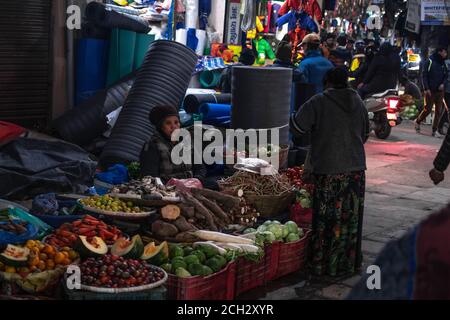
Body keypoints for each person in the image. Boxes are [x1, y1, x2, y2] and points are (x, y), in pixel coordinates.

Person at [290, 67, 370, 276]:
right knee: (349, 218)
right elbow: (365, 133)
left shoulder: (319, 101)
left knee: (326, 219)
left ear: (327, 83)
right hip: (356, 171)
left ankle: (323, 264)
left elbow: (297, 127)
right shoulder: (359, 103)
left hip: (329, 170)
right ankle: (348, 263)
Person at [140, 105, 206, 184]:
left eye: (176, 122)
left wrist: (197, 180)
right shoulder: (152, 146)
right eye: (168, 123)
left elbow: (200, 167)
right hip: (167, 191)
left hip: (191, 186)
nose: (174, 126)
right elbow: (150, 177)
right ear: (161, 127)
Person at [414, 47, 448, 137]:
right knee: (428, 109)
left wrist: (443, 84)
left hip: (440, 91)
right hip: (430, 91)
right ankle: (418, 121)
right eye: (444, 52)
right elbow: (424, 75)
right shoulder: (430, 61)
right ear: (439, 52)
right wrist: (426, 88)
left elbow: (446, 75)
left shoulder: (443, 63)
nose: (446, 54)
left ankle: (434, 130)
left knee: (438, 111)